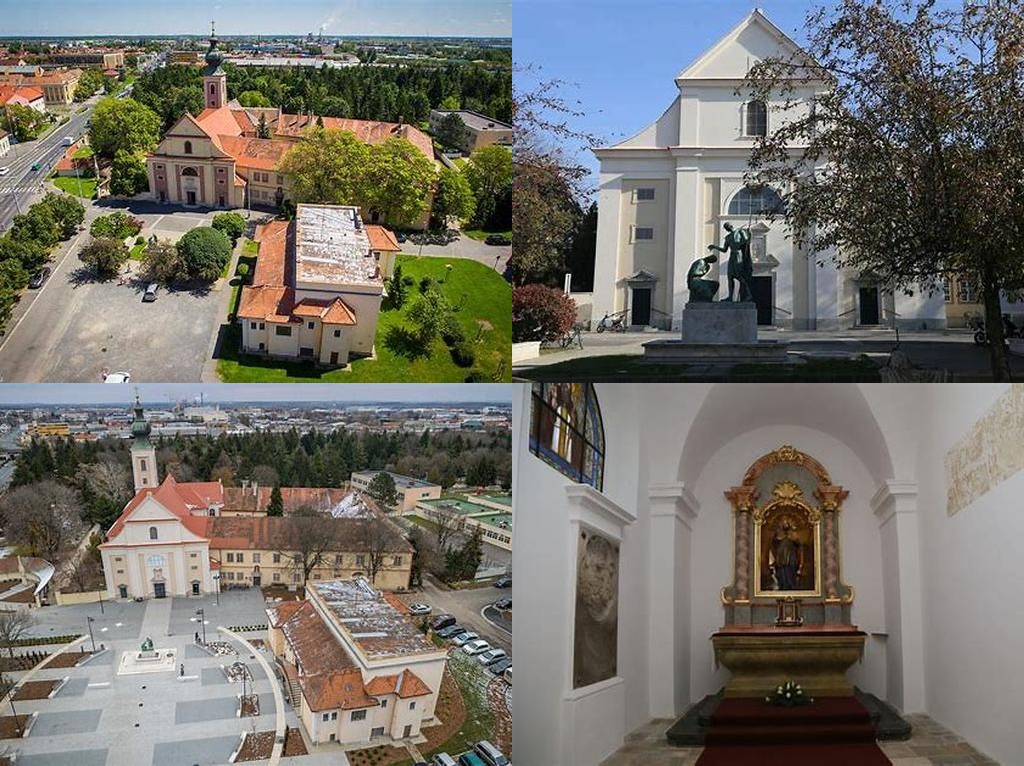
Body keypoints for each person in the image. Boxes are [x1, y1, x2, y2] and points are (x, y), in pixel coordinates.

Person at [708, 222, 754, 302]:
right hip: (732, 256)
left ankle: (749, 294)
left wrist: (749, 235)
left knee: (740, 276)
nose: (727, 228)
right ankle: (730, 297)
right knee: (730, 276)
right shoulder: (728, 237)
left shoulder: (740, 231)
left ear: (731, 226)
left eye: (727, 226)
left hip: (738, 255)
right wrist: (715, 247)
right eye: (726, 227)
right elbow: (724, 250)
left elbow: (745, 242)